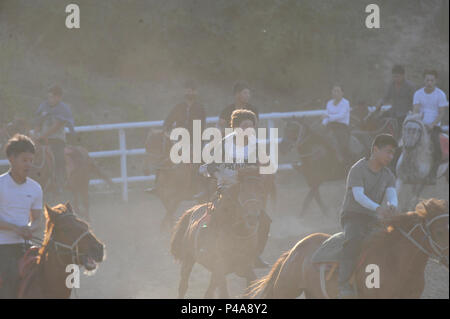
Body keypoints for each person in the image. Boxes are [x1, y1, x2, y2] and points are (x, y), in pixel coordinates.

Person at [200, 109, 271, 269]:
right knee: (212, 214)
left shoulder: (257, 146)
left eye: (251, 127)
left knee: (265, 220)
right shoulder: (225, 144)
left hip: (247, 191)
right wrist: (213, 170)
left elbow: (265, 170)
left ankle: (255, 254)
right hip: (227, 188)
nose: (248, 130)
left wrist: (258, 174)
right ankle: (205, 244)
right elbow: (208, 167)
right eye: (245, 126)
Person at [337, 134, 398, 298]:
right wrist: (378, 208)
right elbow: (358, 196)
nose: (391, 157)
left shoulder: (388, 174)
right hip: (353, 215)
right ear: (375, 149)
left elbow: (392, 195)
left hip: (373, 217)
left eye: (393, 154)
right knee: (354, 239)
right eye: (388, 152)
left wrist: (392, 207)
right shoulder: (357, 169)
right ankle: (343, 284)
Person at [0, 134, 43, 298]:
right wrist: (16, 229)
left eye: (31, 160)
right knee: (11, 277)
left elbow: (37, 218)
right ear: (11, 159)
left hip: (24, 245)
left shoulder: (35, 188)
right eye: (24, 160)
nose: (29, 164)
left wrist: (30, 228)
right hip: (2, 246)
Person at [34, 85, 74, 190]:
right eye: (49, 97)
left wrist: (43, 135)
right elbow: (38, 121)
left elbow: (57, 126)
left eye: (52, 97)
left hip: (56, 139)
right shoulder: (43, 106)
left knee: (58, 156)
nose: (50, 99)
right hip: (42, 139)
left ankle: (60, 181)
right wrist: (36, 133)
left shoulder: (63, 109)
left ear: (59, 97)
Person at [412, 70, 449, 184]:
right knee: (406, 143)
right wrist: (420, 123)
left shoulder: (440, 94)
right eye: (427, 80)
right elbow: (416, 109)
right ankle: (401, 169)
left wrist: (432, 125)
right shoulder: (418, 94)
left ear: (435, 81)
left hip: (434, 127)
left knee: (437, 148)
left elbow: (442, 113)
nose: (429, 82)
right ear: (424, 80)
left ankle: (432, 175)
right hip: (419, 125)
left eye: (431, 80)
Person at [376, 65, 416, 136]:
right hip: (393, 111)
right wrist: (380, 103)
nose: (395, 78)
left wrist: (412, 113)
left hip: (405, 113)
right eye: (394, 76)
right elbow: (386, 97)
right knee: (379, 119)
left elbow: (415, 102)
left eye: (397, 76)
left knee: (400, 130)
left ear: (403, 76)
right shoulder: (391, 85)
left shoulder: (410, 86)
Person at [321, 85, 351, 166]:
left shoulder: (345, 103)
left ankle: (343, 159)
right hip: (330, 125)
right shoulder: (329, 103)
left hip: (342, 126)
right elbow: (326, 114)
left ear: (342, 93)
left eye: (338, 91)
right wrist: (323, 124)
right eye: (334, 91)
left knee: (341, 142)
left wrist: (328, 117)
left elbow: (341, 115)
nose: (335, 93)